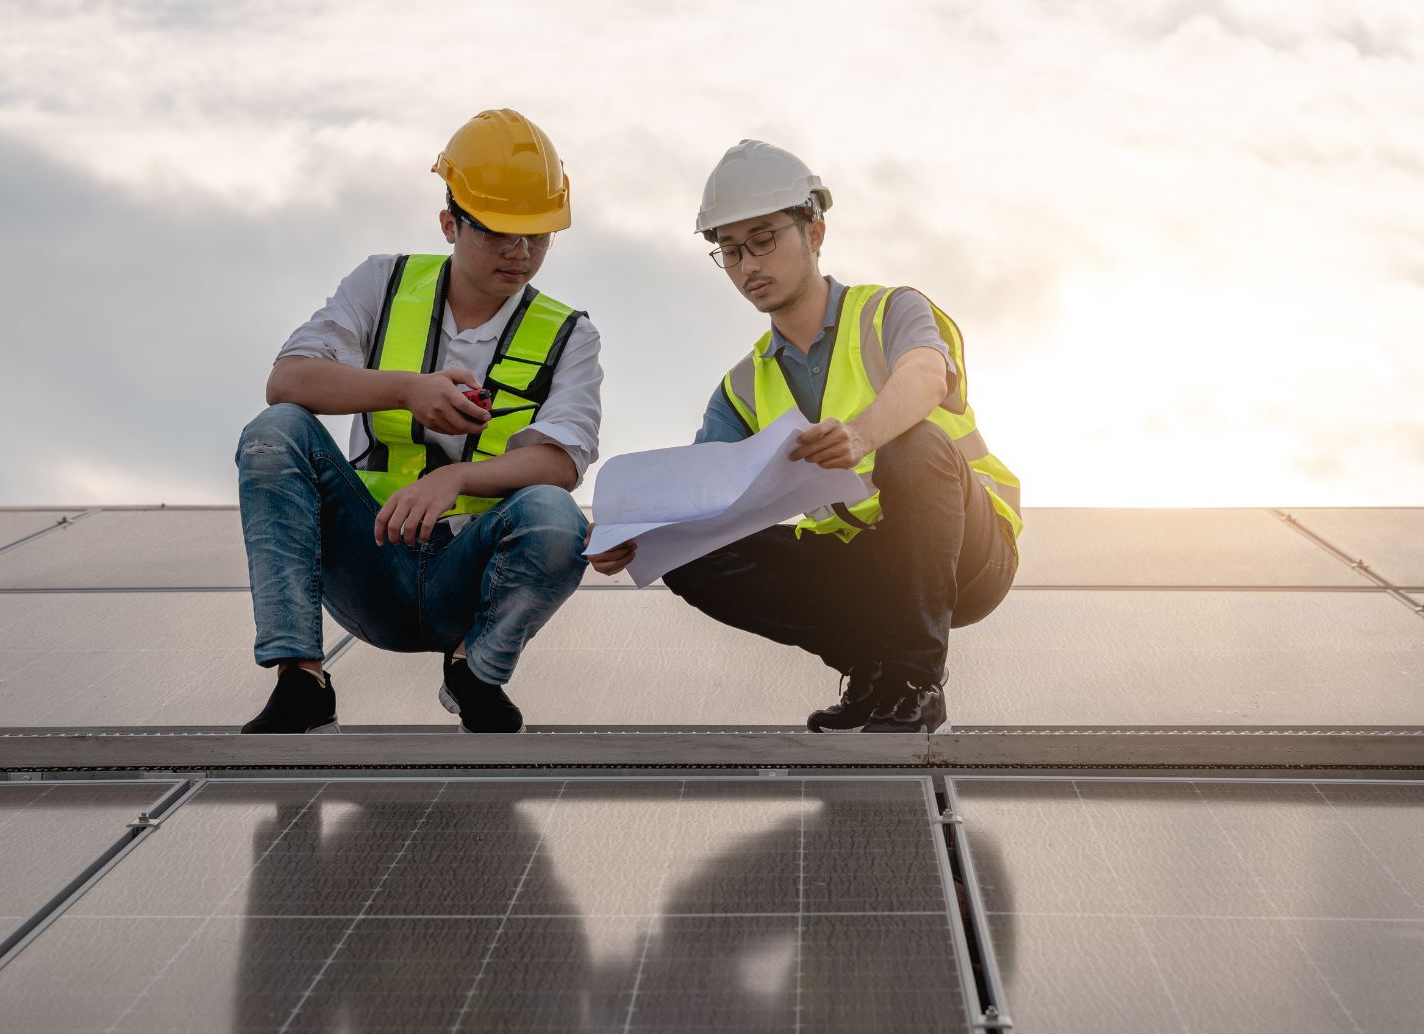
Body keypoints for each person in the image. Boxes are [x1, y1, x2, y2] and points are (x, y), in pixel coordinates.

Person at [588, 140, 1021, 733]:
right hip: (868, 568)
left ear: (814, 232)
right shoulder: (742, 387)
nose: (747, 265)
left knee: (912, 445)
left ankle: (915, 681)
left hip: (968, 554)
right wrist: (628, 536)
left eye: (763, 239)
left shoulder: (891, 311)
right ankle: (870, 668)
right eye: (731, 250)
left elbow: (924, 375)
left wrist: (863, 435)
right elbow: (696, 495)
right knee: (687, 548)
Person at [236, 109, 602, 735]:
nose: (520, 253)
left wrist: (455, 479)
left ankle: (476, 671)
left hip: (473, 575)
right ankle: (299, 678)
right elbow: (287, 381)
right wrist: (405, 390)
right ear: (449, 224)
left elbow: (564, 460)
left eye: (537, 236)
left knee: (557, 515)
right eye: (497, 233)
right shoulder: (382, 283)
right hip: (372, 558)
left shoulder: (571, 335)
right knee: (275, 433)